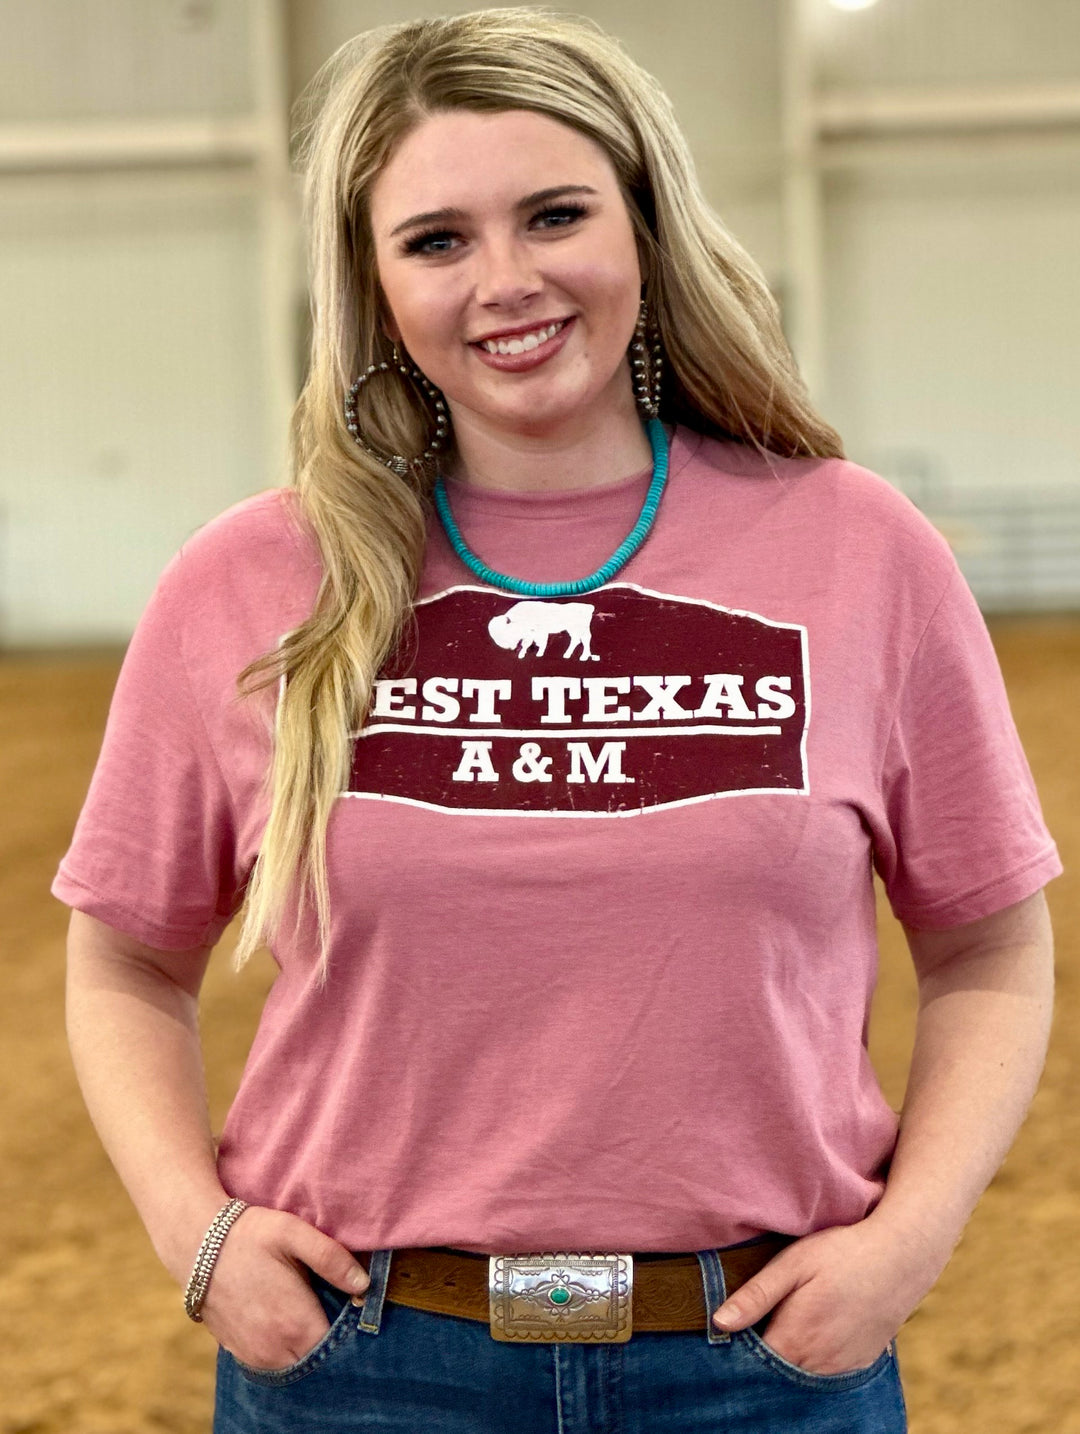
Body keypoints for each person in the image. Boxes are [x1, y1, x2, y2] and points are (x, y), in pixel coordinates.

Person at [55, 9, 1060, 1433]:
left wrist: (911, 1243)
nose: (507, 281)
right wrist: (194, 1231)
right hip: (366, 1368)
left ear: (644, 226)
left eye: (554, 214)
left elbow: (990, 947)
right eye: (438, 239)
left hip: (759, 1364)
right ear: (374, 283)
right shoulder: (251, 585)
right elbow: (123, 961)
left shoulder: (859, 550)